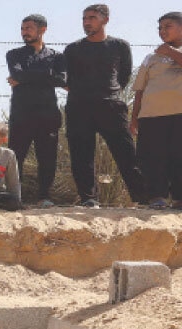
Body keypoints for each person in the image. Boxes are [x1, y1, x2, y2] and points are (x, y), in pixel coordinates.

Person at [64, 4, 145, 208]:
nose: (86, 22)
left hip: (110, 106)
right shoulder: (73, 49)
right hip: (78, 107)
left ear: (105, 20)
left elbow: (125, 75)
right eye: (84, 18)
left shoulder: (119, 46)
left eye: (91, 17)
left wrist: (111, 93)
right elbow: (66, 77)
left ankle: (143, 198)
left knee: (127, 153)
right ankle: (89, 199)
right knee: (81, 155)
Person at [6, 13, 66, 208]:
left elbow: (62, 79)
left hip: (48, 115)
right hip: (21, 114)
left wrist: (26, 77)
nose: (24, 33)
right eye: (23, 29)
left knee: (47, 157)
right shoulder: (14, 54)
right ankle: (15, 197)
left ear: (42, 30)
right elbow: (16, 73)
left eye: (29, 28)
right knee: (16, 157)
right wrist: (47, 75)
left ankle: (44, 197)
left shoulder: (56, 56)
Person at [130, 12, 182, 210]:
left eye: (167, 26)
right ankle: (157, 197)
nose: (162, 31)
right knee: (153, 158)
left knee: (179, 156)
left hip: (179, 115)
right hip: (151, 116)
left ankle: (179, 198)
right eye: (159, 28)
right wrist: (134, 117)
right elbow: (140, 89)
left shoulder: (168, 52)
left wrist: (169, 52)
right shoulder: (150, 57)